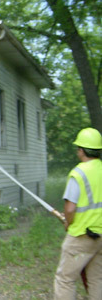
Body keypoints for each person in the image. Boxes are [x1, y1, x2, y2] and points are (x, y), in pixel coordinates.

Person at [54, 127, 102, 299]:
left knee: (65, 279)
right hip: (100, 236)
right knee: (96, 279)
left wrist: (68, 222)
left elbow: (70, 208)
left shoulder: (78, 173)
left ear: (81, 150)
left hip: (81, 236)